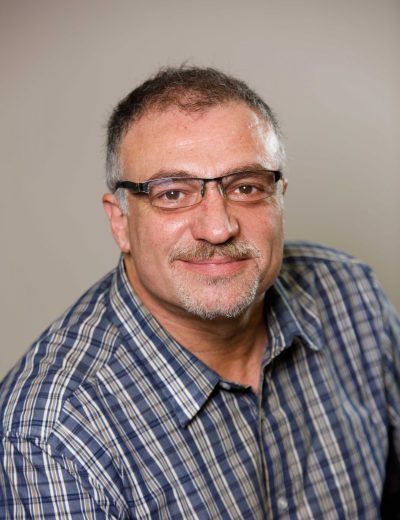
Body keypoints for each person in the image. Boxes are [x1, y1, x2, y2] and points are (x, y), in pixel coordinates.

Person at [0, 66, 399, 519]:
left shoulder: (351, 296)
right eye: (173, 193)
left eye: (246, 187)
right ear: (120, 221)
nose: (218, 227)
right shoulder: (52, 438)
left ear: (279, 199)